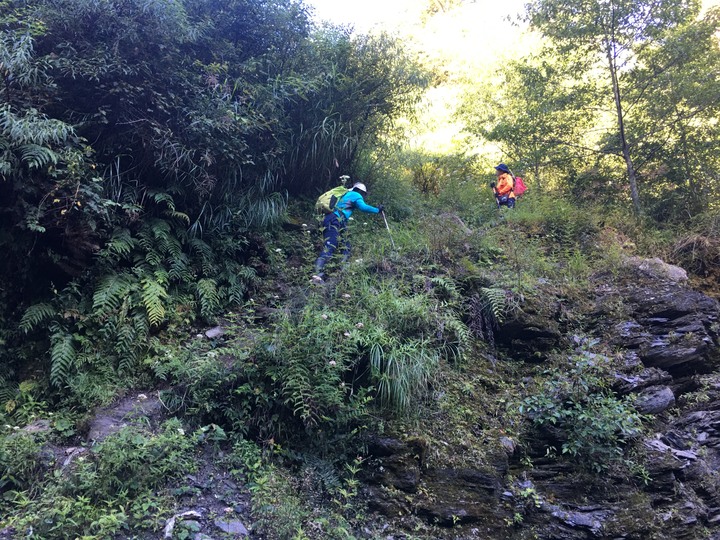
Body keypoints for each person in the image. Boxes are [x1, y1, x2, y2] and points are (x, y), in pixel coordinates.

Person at [312, 182, 384, 283]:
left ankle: (342, 270)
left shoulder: (346, 194)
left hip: (337, 220)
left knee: (346, 244)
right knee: (331, 245)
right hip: (334, 219)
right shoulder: (356, 195)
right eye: (364, 193)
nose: (363, 196)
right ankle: (317, 276)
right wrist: (377, 210)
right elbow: (363, 207)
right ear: (360, 191)